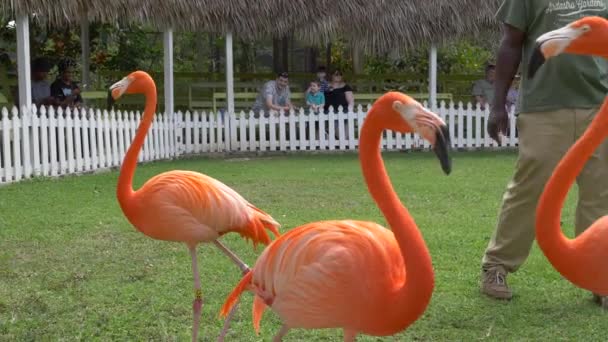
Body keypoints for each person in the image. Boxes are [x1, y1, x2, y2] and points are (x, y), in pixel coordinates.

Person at [481, 0, 608, 307]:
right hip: (544, 105)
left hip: (599, 104)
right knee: (530, 187)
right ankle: (496, 266)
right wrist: (498, 104)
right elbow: (511, 44)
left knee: (600, 191)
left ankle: (599, 275)